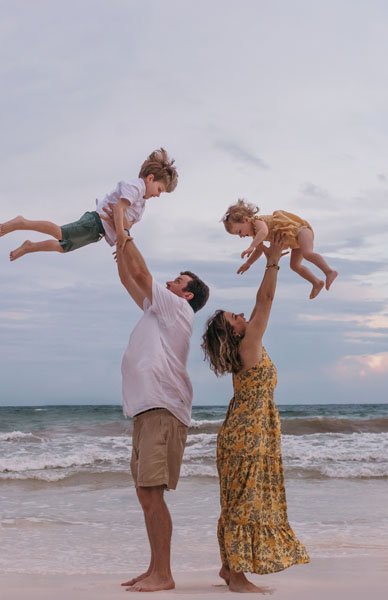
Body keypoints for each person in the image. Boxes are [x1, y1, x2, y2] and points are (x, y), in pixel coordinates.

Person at [201, 231, 310, 593]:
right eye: (236, 317)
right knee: (243, 504)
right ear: (233, 333)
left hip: (247, 433)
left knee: (238, 501)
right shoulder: (249, 345)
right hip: (247, 435)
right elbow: (265, 300)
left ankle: (227, 567)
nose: (243, 315)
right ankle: (236, 577)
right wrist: (273, 259)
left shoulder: (244, 348)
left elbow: (259, 305)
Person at [111, 227, 209, 592]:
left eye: (178, 280)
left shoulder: (178, 307)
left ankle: (164, 575)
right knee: (145, 493)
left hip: (162, 407)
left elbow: (141, 274)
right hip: (146, 409)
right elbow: (129, 279)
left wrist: (124, 232)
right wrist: (119, 246)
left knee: (153, 493)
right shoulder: (158, 309)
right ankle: (154, 569)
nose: (170, 282)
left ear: (187, 293)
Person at [0, 148, 178, 260]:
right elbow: (118, 208)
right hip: (95, 222)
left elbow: (127, 225)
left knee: (62, 247)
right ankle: (23, 222)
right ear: (150, 178)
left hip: (98, 232)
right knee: (60, 232)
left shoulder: (141, 206)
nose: (158, 195)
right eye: (160, 189)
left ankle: (30, 246)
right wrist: (121, 235)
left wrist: (122, 241)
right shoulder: (136, 187)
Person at [222, 199, 337, 299]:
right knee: (294, 266)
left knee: (307, 253)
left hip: (301, 231)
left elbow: (264, 232)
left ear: (246, 220)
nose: (241, 236)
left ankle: (329, 271)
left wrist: (251, 246)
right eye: (238, 235)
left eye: (239, 232)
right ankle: (316, 282)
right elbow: (259, 250)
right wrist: (248, 263)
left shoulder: (257, 221)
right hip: (295, 243)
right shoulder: (255, 236)